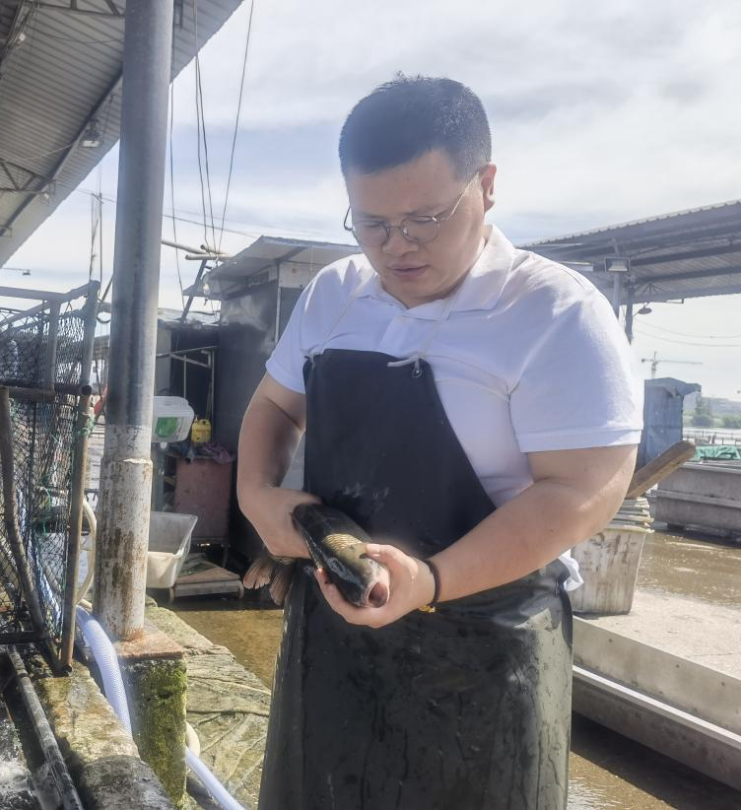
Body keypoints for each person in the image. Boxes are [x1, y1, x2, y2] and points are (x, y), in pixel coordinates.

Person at [237, 75, 643, 810]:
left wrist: (433, 580)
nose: (397, 246)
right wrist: (257, 498)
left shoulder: (554, 312)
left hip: (486, 645)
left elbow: (582, 490)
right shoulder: (334, 292)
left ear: (486, 186)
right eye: (372, 222)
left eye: (424, 217)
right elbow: (273, 405)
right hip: (338, 625)